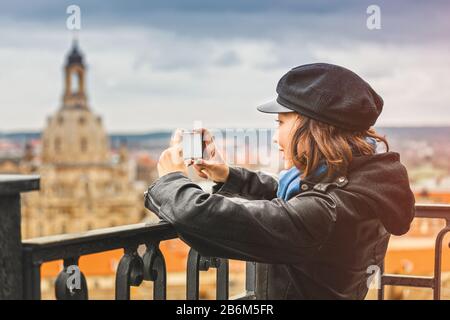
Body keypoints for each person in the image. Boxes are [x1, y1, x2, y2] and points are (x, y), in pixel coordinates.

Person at [144, 63, 416, 299]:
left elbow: (209, 218)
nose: (276, 138)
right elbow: (297, 199)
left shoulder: (327, 213)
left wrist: (171, 179)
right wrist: (227, 175)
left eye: (281, 123)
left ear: (313, 128)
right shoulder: (361, 187)